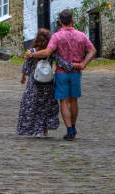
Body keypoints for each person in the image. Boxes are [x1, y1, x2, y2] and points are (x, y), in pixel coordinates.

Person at [26, 9, 96, 141]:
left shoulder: (57, 36)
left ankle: (69, 130)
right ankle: (73, 127)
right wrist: (83, 63)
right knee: (74, 100)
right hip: (76, 73)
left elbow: (47, 52)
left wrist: (33, 54)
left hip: (62, 74)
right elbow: (92, 50)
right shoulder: (81, 35)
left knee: (64, 101)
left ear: (60, 22)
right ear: (72, 20)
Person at [16, 28, 76, 138]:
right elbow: (62, 63)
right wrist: (74, 66)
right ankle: (44, 129)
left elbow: (26, 67)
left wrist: (23, 77)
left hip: (34, 84)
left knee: (34, 106)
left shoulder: (32, 52)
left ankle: (37, 130)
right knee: (46, 107)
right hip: (48, 84)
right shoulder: (50, 52)